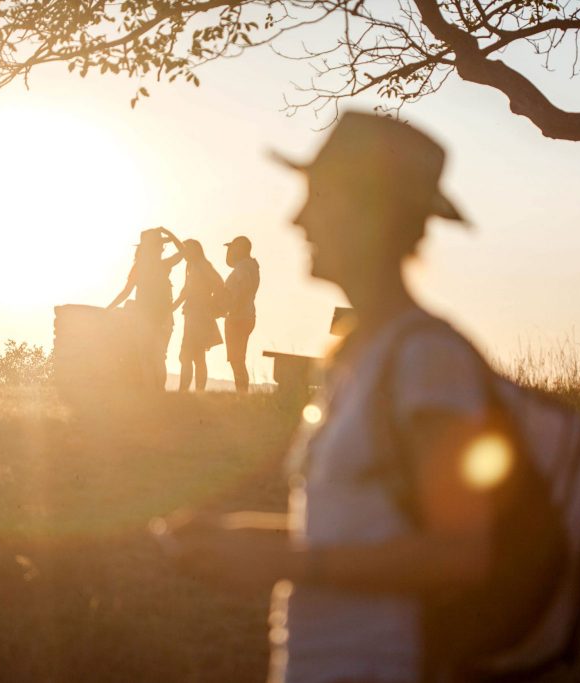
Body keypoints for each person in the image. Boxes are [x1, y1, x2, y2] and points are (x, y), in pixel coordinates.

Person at [156, 112, 497, 683]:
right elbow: (357, 530)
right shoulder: (358, 353)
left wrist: (284, 562)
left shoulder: (429, 359)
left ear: (373, 215)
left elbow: (460, 556)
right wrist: (238, 535)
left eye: (318, 199)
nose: (297, 219)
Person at [107, 227, 184, 391]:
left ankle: (152, 393)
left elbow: (126, 292)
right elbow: (183, 253)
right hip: (164, 318)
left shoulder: (139, 268)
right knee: (159, 357)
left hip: (145, 318)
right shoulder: (163, 265)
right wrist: (169, 234)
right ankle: (159, 393)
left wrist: (109, 308)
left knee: (146, 356)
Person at [173, 238, 225, 392]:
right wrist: (173, 307)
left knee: (189, 355)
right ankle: (194, 392)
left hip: (199, 315)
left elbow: (218, 283)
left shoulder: (202, 265)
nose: (184, 253)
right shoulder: (192, 265)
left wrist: (209, 302)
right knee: (195, 356)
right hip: (193, 314)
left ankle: (186, 391)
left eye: (186, 249)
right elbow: (186, 290)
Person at [221, 235, 260, 393]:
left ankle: (241, 392)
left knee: (236, 360)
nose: (229, 251)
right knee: (239, 359)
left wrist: (233, 308)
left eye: (232, 248)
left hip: (238, 317)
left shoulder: (242, 267)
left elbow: (244, 286)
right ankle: (241, 392)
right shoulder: (251, 266)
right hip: (246, 315)